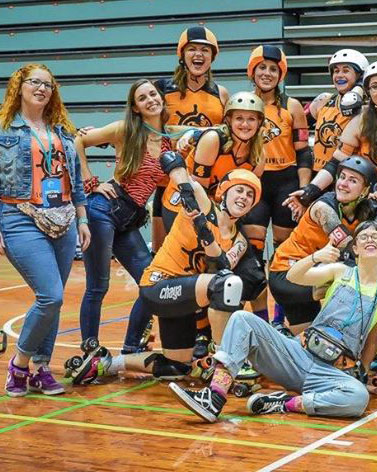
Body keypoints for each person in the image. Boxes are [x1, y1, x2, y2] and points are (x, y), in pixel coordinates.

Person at [169, 221, 377, 421]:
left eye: (376, 237)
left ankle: (284, 403)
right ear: (355, 249)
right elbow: (293, 276)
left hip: (332, 373)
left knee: (359, 398)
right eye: (363, 236)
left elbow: (373, 341)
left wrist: (362, 376)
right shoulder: (340, 271)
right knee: (241, 318)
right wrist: (316, 257)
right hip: (297, 355)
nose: (370, 240)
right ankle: (214, 396)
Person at [67, 166, 265, 384]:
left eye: (250, 195)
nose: (244, 197)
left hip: (184, 298)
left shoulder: (240, 241)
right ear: (224, 192)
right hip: (159, 285)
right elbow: (173, 164)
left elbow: (220, 265)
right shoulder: (203, 201)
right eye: (239, 191)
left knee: (175, 368)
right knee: (225, 284)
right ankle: (224, 360)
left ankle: (108, 364)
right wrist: (187, 189)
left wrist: (202, 228)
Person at [1, 64, 90, 396]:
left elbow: (76, 180)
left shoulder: (62, 130)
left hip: (64, 218)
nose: (41, 89)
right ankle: (20, 363)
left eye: (48, 85)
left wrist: (82, 219)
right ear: (19, 86)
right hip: (19, 216)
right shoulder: (4, 129)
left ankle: (40, 369)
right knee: (49, 295)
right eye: (34, 82)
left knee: (56, 299)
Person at [163, 91, 265, 355]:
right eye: (239, 118)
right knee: (195, 266)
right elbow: (198, 191)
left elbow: (245, 197)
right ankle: (200, 333)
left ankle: (238, 329)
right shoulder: (213, 139)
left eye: (251, 120)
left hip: (219, 210)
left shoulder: (258, 154)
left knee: (246, 269)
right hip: (185, 204)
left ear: (259, 123)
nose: (245, 124)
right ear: (228, 120)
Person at [75, 79, 170, 353]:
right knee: (97, 287)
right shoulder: (125, 129)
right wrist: (91, 183)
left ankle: (131, 348)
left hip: (130, 219)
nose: (150, 99)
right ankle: (90, 352)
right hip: (103, 210)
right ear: (136, 108)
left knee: (151, 284)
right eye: (142, 98)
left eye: (153, 93)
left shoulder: (170, 138)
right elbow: (77, 141)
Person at [289, 61, 377, 234]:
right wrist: (309, 192)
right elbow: (335, 163)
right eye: (375, 86)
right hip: (365, 199)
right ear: (368, 92)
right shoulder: (360, 122)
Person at [269, 156, 377, 334]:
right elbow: (351, 250)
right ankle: (356, 338)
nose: (343, 184)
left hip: (311, 277)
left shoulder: (362, 208)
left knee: (306, 346)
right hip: (288, 276)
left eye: (352, 180)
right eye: (342, 177)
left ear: (365, 190)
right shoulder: (323, 207)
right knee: (357, 278)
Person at [241, 46, 312, 325]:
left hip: (286, 182)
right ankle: (260, 319)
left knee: (283, 255)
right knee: (254, 254)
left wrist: (304, 190)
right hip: (254, 184)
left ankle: (279, 321)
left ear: (281, 73)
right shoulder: (242, 103)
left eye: (273, 68)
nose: (267, 73)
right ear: (252, 71)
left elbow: (304, 152)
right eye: (262, 67)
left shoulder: (292, 107)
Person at [151, 26, 229, 252]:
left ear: (212, 56)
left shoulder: (220, 93)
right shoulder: (162, 88)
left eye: (205, 50)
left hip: (204, 181)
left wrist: (194, 134)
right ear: (182, 54)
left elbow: (227, 133)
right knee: (162, 249)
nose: (198, 55)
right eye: (192, 49)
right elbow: (148, 127)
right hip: (167, 180)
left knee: (202, 247)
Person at [309, 49, 369, 173]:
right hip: (319, 174)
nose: (339, 75)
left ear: (360, 76)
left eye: (346, 70)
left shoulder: (368, 108)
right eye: (336, 71)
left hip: (350, 176)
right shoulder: (324, 100)